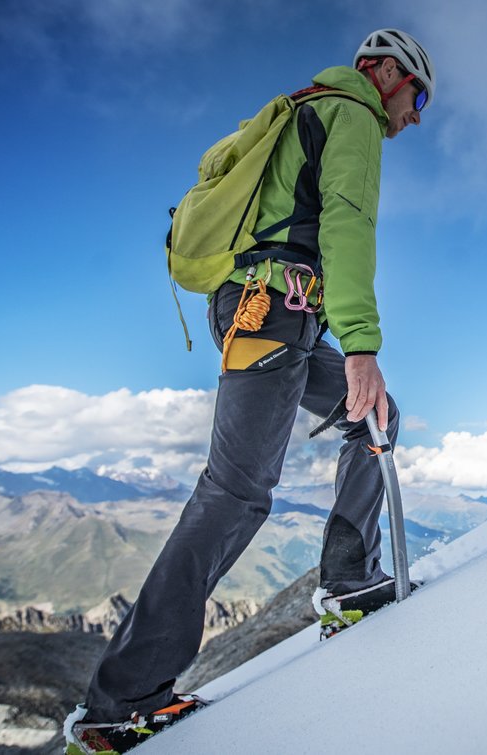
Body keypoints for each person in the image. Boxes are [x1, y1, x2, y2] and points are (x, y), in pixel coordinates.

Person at [64, 28, 435, 755]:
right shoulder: (350, 112)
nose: (416, 114)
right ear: (386, 73)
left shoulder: (301, 109)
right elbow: (346, 228)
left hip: (264, 310)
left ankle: (349, 581)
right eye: (417, 95)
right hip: (273, 311)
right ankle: (120, 703)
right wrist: (361, 345)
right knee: (235, 493)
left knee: (378, 418)